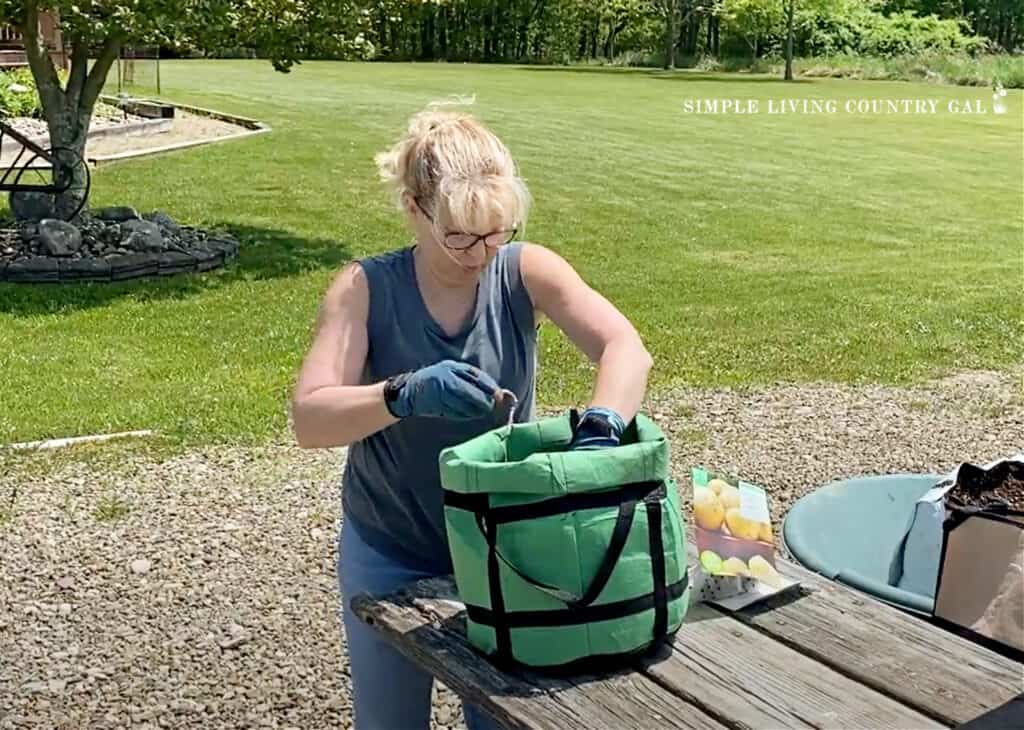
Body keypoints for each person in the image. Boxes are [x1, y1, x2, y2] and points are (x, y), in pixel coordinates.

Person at [290, 103, 654, 730]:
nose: (480, 254)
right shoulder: (365, 287)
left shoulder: (525, 270)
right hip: (390, 546)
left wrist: (601, 429)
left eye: (497, 233)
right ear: (414, 209)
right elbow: (309, 419)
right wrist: (399, 395)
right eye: (459, 235)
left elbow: (626, 348)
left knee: (504, 718)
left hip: (505, 547)